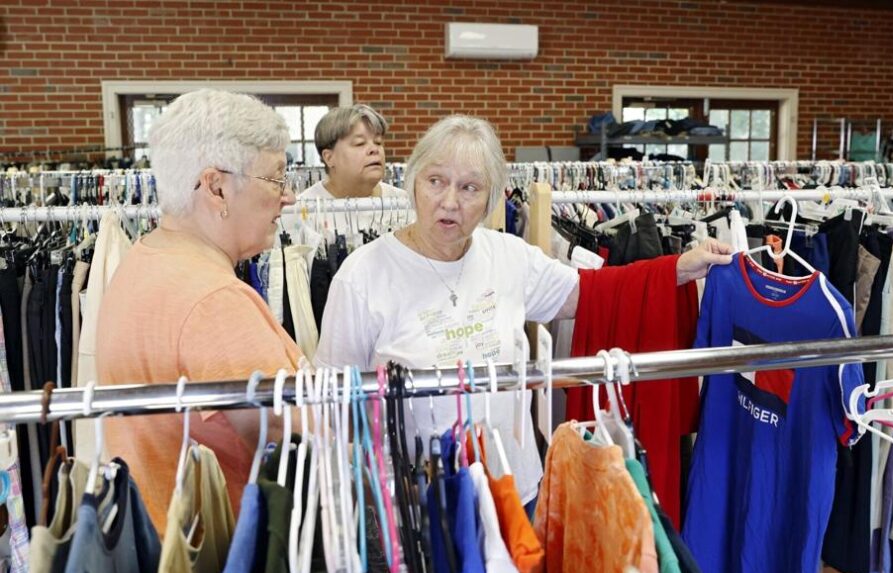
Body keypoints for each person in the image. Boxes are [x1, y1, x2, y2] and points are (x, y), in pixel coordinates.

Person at [315, 114, 732, 508]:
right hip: (417, 501)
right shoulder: (362, 274)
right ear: (412, 184)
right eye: (435, 181)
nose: (449, 201)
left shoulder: (509, 256)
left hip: (515, 488)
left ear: (491, 198)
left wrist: (678, 268)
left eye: (469, 188)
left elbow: (591, 293)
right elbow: (334, 398)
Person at [96, 89, 303, 531]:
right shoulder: (214, 302)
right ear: (217, 186)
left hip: (162, 547)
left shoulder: (143, 259)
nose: (288, 198)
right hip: (221, 562)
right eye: (277, 179)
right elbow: (292, 449)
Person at [297, 104, 406, 201]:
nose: (374, 149)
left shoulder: (405, 203)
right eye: (360, 143)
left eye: (378, 142)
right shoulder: (300, 210)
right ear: (329, 158)